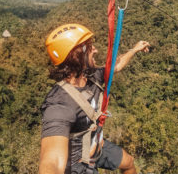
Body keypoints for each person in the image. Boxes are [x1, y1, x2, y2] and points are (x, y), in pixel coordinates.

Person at [40, 23, 150, 174]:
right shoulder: (59, 105)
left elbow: (115, 66)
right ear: (77, 55)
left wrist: (134, 49)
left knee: (129, 163)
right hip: (78, 165)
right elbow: (52, 161)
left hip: (97, 145)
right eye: (91, 47)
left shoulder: (91, 77)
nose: (96, 50)